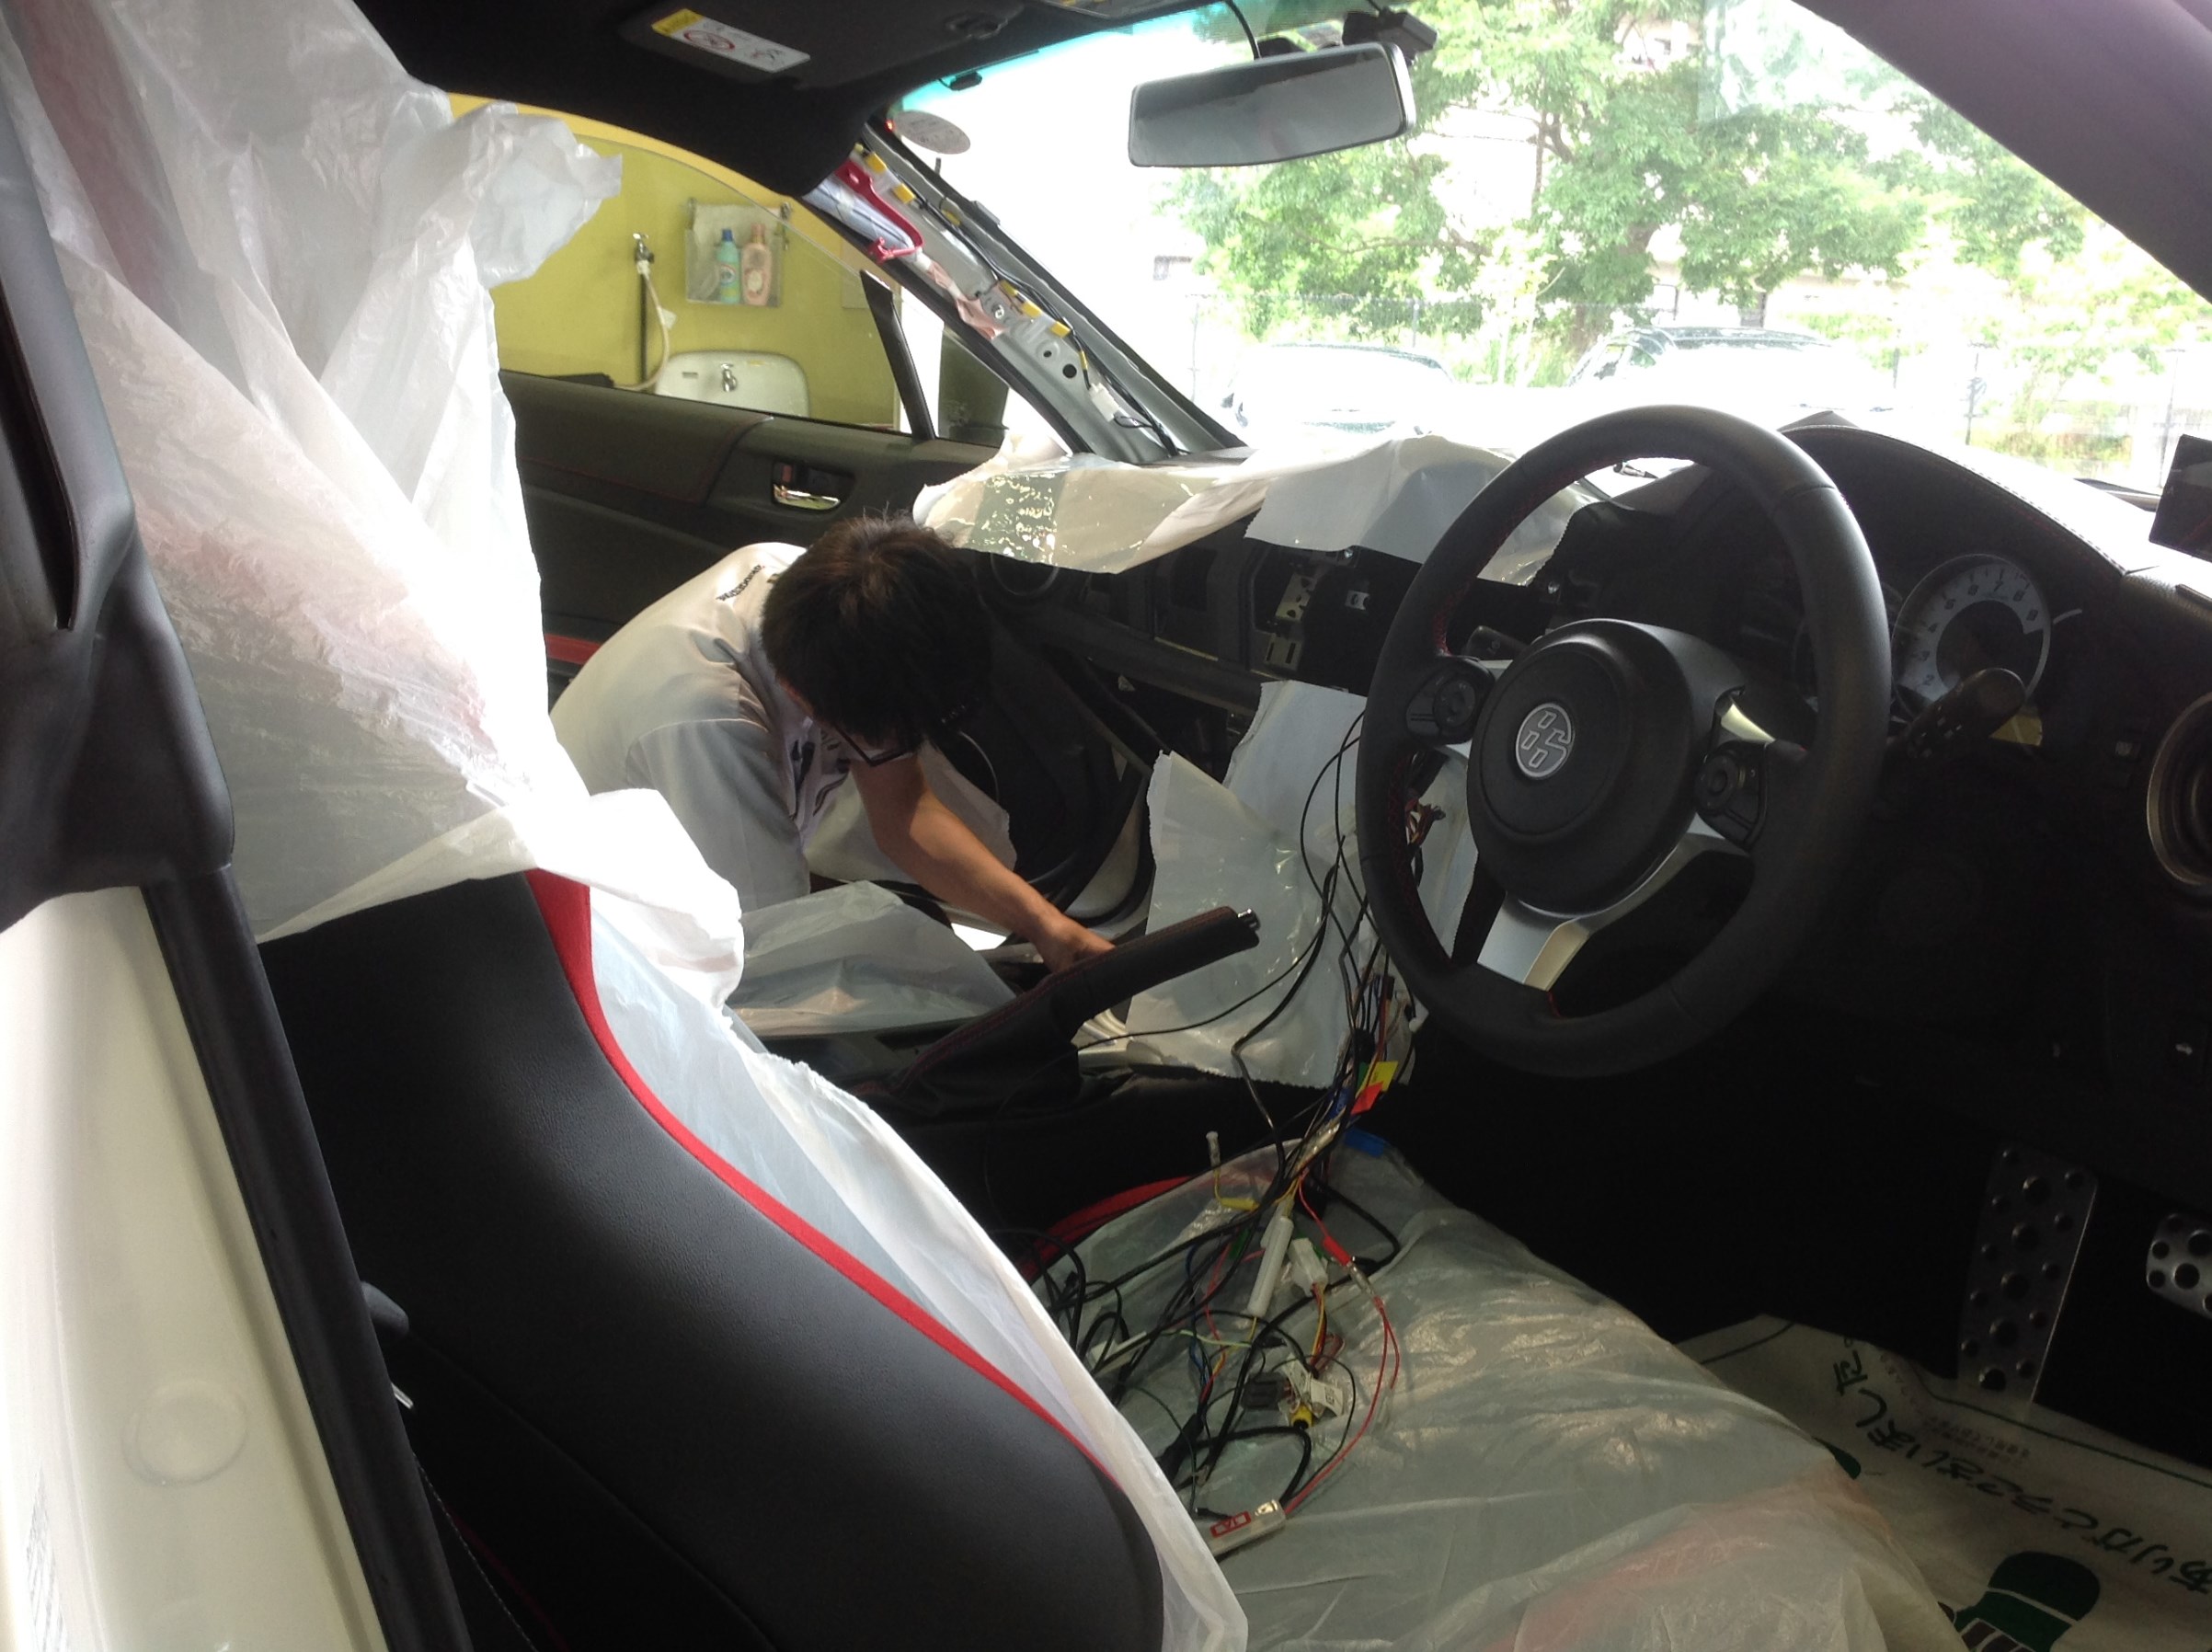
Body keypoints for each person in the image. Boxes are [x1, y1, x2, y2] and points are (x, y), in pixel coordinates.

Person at [553, 516, 1111, 972]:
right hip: (602, 931)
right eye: (874, 747)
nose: (886, 758)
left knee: (916, 929)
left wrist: (1049, 928)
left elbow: (903, 810)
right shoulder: (708, 725)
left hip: (714, 877)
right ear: (802, 698)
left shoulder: (826, 597)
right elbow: (771, 951)